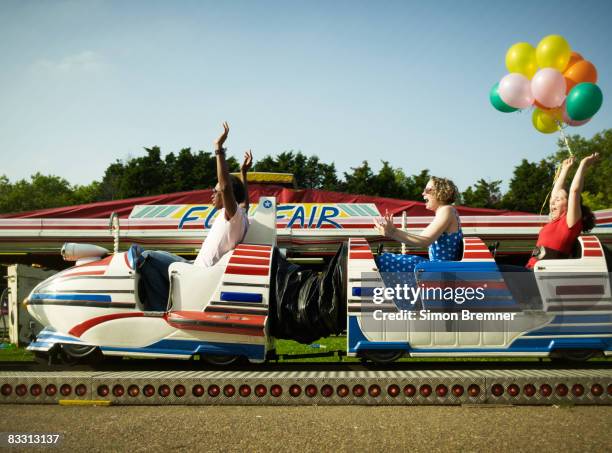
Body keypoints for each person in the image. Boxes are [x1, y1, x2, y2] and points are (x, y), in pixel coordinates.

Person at [374, 176, 463, 273]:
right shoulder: (448, 211)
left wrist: (392, 232)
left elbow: (424, 241)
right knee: (386, 259)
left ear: (441, 192)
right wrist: (392, 232)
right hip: (439, 268)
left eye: (427, 190)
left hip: (439, 270)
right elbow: (423, 239)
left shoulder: (447, 210)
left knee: (383, 260)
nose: (423, 193)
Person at [194, 122, 252, 267]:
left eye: (215, 191)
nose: (212, 195)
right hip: (197, 271)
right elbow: (245, 203)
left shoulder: (233, 216)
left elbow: (226, 187)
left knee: (148, 256)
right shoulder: (240, 215)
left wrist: (218, 148)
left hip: (200, 274)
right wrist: (243, 173)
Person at [525, 153, 598, 269]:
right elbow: (555, 194)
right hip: (530, 269)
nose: (553, 202)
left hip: (541, 274)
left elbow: (574, 191)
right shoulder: (555, 219)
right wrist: (564, 169)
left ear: (570, 204)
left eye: (558, 200)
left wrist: (583, 165)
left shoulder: (570, 222)